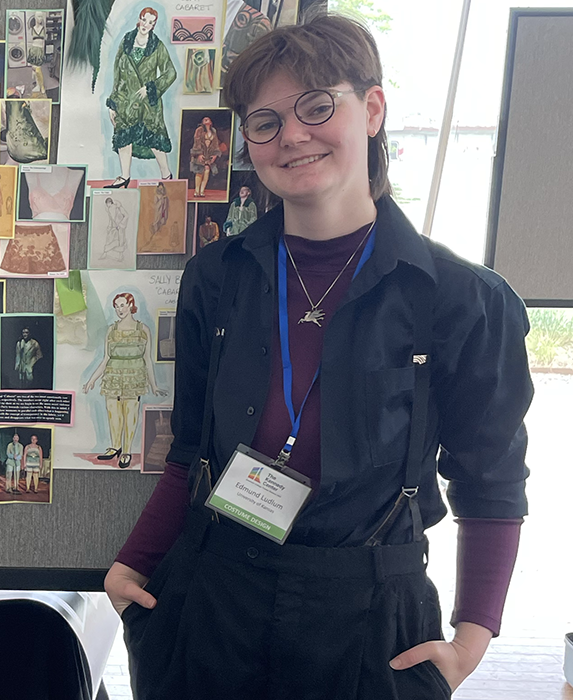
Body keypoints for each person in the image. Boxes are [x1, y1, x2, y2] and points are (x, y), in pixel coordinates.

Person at [107, 15, 532, 699]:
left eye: (315, 107)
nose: (293, 136)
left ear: (371, 109)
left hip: (369, 617)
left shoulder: (462, 300)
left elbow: (492, 482)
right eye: (266, 121)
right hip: (214, 600)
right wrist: (132, 566)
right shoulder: (217, 278)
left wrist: (471, 639)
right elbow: (191, 450)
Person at [83, 293, 164, 469]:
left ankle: (126, 451)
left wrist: (154, 385)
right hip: (113, 376)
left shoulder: (143, 330)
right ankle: (115, 447)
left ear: (131, 305)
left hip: (134, 377)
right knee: (113, 414)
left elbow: (148, 360)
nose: (119, 310)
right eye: (116, 306)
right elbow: (105, 358)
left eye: (122, 305)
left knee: (130, 414)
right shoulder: (111, 330)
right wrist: (92, 380)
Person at [105, 6, 177, 188]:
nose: (146, 24)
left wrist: (150, 88)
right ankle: (124, 177)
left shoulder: (157, 46)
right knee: (124, 138)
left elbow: (170, 73)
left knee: (154, 140)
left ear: (154, 25)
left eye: (151, 22)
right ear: (140, 18)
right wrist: (113, 103)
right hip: (125, 100)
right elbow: (117, 73)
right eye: (144, 20)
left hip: (147, 104)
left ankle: (167, 177)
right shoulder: (127, 40)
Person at [189, 115, 221, 197]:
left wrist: (215, 155)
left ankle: (202, 191)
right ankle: (197, 191)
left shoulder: (213, 131)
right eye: (205, 119)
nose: (206, 120)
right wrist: (199, 154)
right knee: (199, 172)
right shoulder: (199, 130)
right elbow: (197, 142)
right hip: (200, 154)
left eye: (208, 119)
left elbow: (215, 143)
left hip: (208, 154)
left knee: (207, 171)